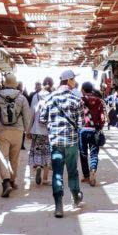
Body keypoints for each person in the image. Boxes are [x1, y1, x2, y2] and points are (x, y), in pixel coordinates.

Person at [39, 69, 85, 218]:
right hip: (71, 142)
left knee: (57, 173)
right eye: (74, 80)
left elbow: (42, 118)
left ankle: (59, 206)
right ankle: (76, 195)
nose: (75, 82)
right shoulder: (76, 99)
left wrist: (54, 125)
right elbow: (80, 123)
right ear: (69, 80)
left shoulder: (50, 98)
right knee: (72, 171)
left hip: (56, 142)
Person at [0, 74, 33, 198]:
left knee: (2, 158)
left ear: (4, 83)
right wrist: (27, 131)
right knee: (14, 157)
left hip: (1, 131)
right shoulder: (22, 98)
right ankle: (12, 180)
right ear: (15, 83)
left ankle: (6, 182)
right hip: (17, 131)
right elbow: (27, 116)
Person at [78, 81, 107, 186]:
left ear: (83, 90)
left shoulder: (80, 101)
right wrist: (100, 127)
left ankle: (86, 176)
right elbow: (103, 118)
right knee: (94, 153)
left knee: (83, 154)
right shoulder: (100, 101)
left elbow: (77, 116)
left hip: (83, 130)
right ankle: (93, 169)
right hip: (95, 130)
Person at [28, 77, 54, 185]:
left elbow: (32, 114)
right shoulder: (52, 96)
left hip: (36, 129)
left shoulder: (36, 96)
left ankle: (38, 166)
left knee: (37, 150)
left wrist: (28, 129)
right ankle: (45, 178)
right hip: (48, 131)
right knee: (47, 152)